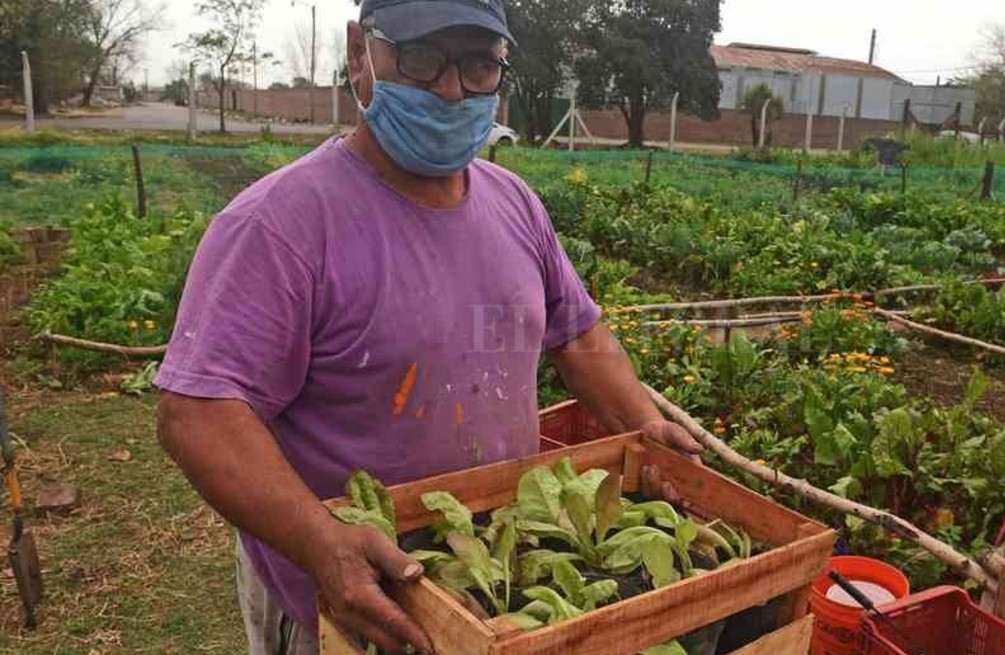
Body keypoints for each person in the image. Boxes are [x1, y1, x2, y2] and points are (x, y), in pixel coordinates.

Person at [153, 2, 701, 654]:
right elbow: (197, 413)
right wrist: (320, 541)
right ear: (361, 56)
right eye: (421, 59)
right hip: (351, 600)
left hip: (491, 569)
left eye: (476, 65)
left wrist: (644, 424)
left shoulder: (514, 203)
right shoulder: (281, 225)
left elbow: (577, 333)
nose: (450, 89)